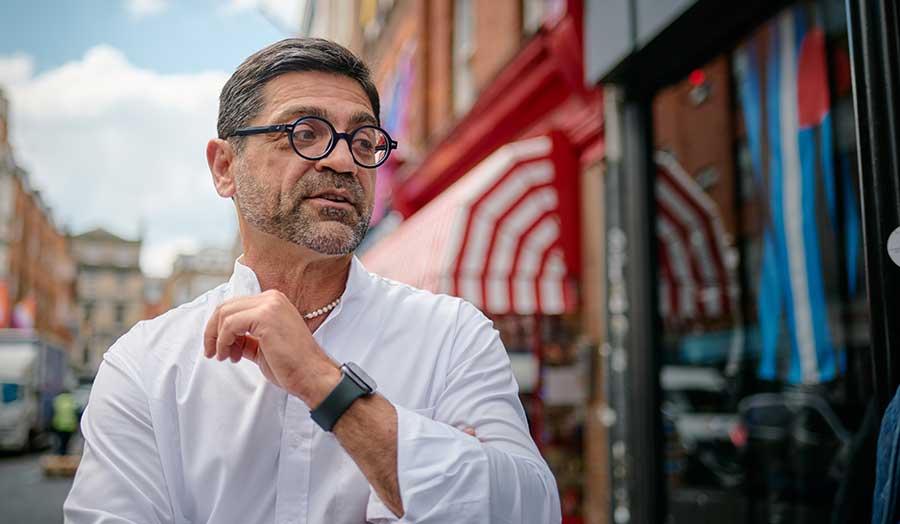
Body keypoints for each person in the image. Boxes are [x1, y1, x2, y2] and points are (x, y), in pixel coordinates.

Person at [64, 38, 561, 523]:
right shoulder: (146, 367)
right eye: (305, 133)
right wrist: (422, 471)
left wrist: (323, 383)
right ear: (224, 167)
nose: (343, 161)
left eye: (363, 141)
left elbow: (532, 510)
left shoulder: (453, 336)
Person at [51, 389, 77, 456]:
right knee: (67, 442)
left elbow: (53, 411)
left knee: (60, 441)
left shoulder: (58, 399)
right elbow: (76, 412)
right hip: (70, 425)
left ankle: (60, 454)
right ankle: (65, 454)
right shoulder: (71, 399)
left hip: (59, 425)